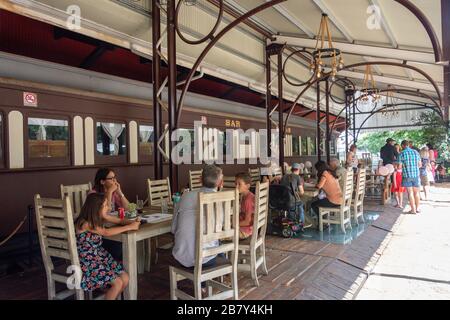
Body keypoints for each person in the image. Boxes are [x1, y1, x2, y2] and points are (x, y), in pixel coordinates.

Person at [75, 193, 140, 300]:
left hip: (101, 257)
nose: (109, 207)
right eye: (105, 205)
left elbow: (119, 220)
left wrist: (133, 222)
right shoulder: (84, 223)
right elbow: (106, 232)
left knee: (125, 278)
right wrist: (130, 227)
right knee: (118, 283)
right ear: (96, 208)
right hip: (88, 261)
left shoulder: (97, 218)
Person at [172, 165, 224, 268]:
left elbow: (173, 229)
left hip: (181, 257)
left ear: (200, 180)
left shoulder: (184, 196)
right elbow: (220, 232)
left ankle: (201, 280)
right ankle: (206, 280)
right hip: (207, 258)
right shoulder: (220, 199)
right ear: (220, 182)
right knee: (219, 244)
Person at [90, 168, 130, 261]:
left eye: (115, 177)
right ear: (102, 181)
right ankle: (113, 265)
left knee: (124, 242)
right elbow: (106, 212)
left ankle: (116, 266)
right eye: (111, 178)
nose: (114, 181)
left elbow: (128, 208)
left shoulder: (113, 193)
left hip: (109, 226)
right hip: (98, 233)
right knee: (120, 245)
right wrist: (109, 192)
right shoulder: (93, 195)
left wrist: (120, 193)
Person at [310, 161, 343, 229]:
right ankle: (323, 221)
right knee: (320, 201)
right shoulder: (331, 172)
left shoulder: (325, 174)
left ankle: (322, 223)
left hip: (333, 201)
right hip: (339, 199)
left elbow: (319, 186)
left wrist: (312, 185)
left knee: (313, 204)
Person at [398, 140, 422, 214]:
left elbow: (399, 167)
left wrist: (397, 167)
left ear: (402, 145)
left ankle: (413, 210)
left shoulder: (401, 153)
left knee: (410, 193)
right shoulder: (416, 152)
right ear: (408, 145)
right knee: (416, 192)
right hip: (416, 175)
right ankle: (418, 208)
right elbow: (420, 165)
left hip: (407, 176)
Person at [235, 173, 256, 240]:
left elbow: (247, 222)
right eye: (235, 184)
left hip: (245, 231)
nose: (236, 187)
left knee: (220, 234)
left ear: (247, 186)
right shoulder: (245, 195)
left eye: (239, 184)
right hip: (246, 228)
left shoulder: (248, 200)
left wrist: (232, 225)